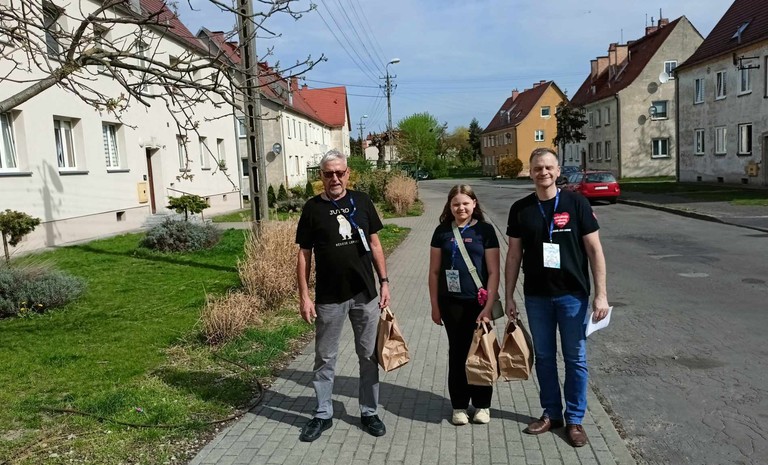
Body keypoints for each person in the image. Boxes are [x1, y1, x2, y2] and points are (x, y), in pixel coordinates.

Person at [505, 147, 610, 447]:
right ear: (530, 172)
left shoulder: (576, 203)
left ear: (558, 170)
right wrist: (508, 296)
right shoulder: (521, 209)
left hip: (572, 296)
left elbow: (595, 251)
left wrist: (601, 295)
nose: (544, 172)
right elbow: (513, 255)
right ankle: (552, 414)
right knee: (545, 358)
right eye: (538, 168)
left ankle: (575, 420)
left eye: (549, 167)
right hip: (537, 296)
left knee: (575, 359)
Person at [295, 149, 391, 442]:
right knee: (325, 357)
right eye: (329, 173)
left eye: (339, 172)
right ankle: (323, 414)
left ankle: (369, 412)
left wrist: (385, 281)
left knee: (368, 355)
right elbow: (304, 254)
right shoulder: (312, 208)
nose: (334, 178)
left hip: (365, 293)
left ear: (348, 174)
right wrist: (304, 296)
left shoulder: (362, 201)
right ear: (321, 176)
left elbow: (375, 244)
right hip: (329, 297)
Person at [428, 184, 500, 425]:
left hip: (478, 304)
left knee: (481, 351)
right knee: (457, 353)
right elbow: (434, 272)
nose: (461, 208)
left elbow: (493, 272)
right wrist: (435, 305)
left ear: (474, 204)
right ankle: (459, 405)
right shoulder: (441, 231)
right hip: (451, 304)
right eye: (456, 204)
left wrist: (488, 306)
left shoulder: (485, 231)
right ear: (450, 206)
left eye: (465, 203)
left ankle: (482, 405)